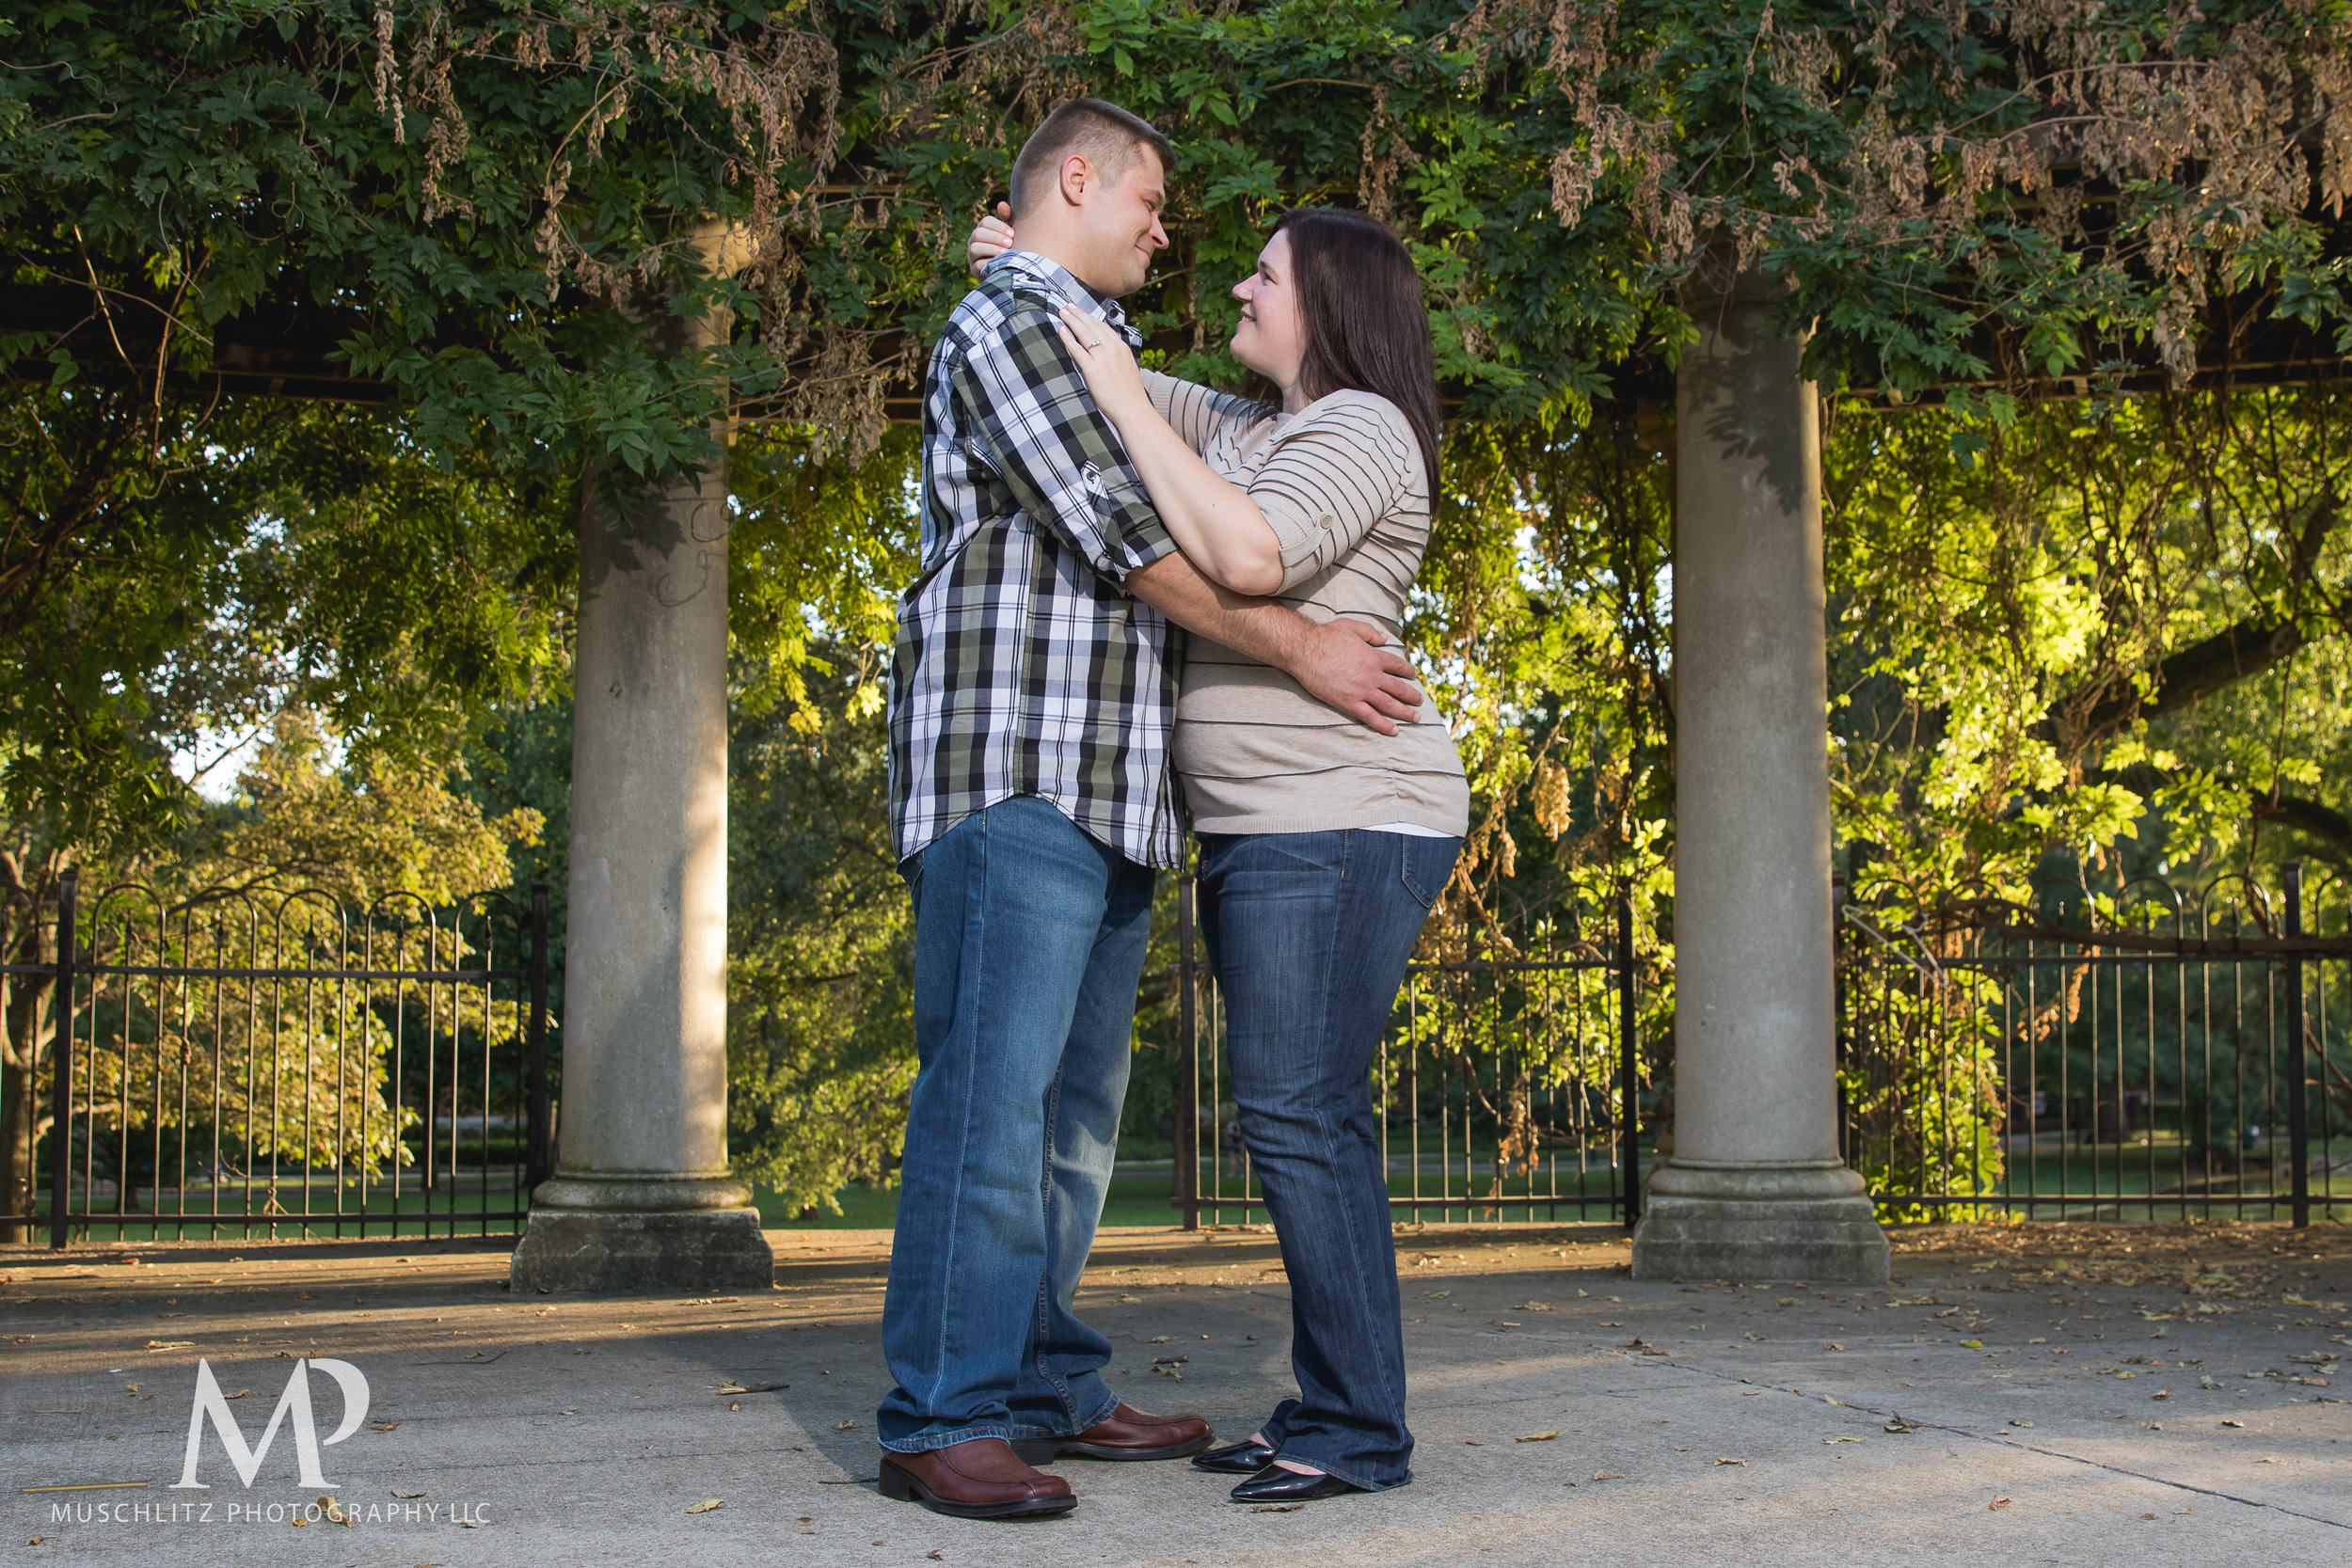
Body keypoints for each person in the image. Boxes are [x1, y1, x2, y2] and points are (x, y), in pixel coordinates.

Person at [878, 98, 1428, 1522]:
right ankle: (940, 1412)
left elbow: (1170, 439)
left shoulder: (1108, 348)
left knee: (1068, 1126)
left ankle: (1046, 1380)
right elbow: (1131, 536)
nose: (1177, 241)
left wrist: (1027, 269)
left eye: (1254, 265)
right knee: (992, 1112)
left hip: (1116, 792)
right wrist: (1299, 644)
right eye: (1153, 206)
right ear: (1079, 178)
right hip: (1017, 766)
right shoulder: (1013, 328)